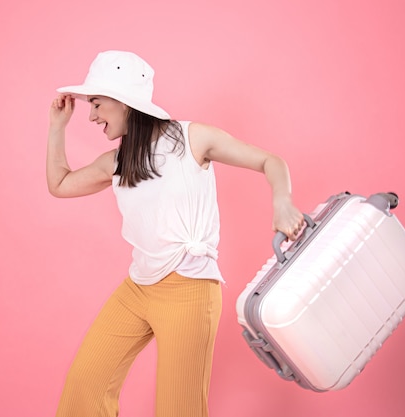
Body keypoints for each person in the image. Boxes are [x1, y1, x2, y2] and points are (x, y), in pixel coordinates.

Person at [47, 50, 304, 417]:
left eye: (97, 104)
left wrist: (283, 204)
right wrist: (57, 127)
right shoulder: (116, 163)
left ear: (123, 103)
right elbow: (59, 183)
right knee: (84, 388)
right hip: (138, 288)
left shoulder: (192, 139)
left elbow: (270, 161)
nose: (91, 115)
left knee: (178, 409)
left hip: (189, 290)